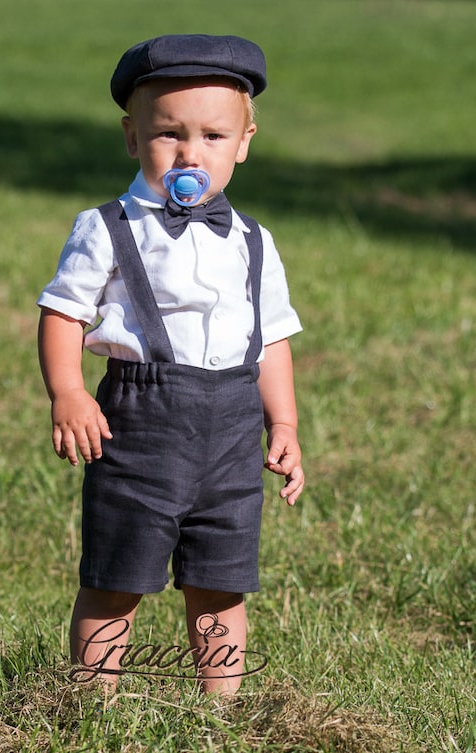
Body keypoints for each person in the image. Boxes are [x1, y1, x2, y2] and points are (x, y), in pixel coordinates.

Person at [37, 34, 304, 695]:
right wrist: (68, 390)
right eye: (168, 135)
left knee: (223, 580)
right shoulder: (107, 226)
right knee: (115, 577)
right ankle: (91, 701)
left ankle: (220, 713)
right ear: (133, 138)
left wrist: (286, 424)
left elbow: (270, 337)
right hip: (139, 422)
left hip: (234, 427)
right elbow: (64, 312)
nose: (190, 153)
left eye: (213, 136)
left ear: (243, 142)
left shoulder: (253, 240)